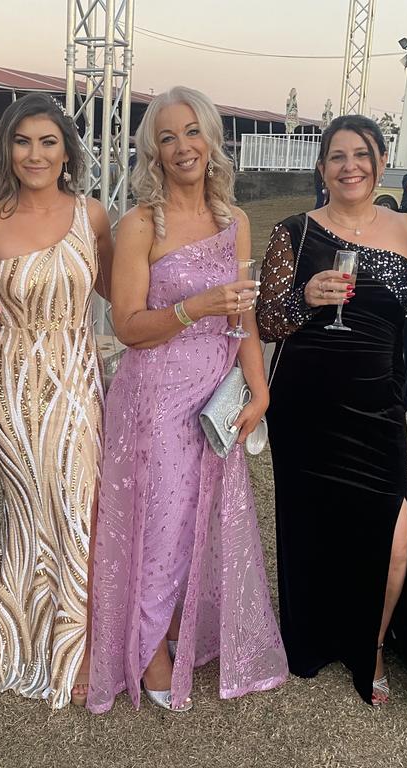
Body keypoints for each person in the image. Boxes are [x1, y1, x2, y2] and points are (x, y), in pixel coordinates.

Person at [87, 86, 288, 714]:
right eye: (168, 136)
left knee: (207, 520)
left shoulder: (235, 220)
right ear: (152, 150)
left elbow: (246, 315)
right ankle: (148, 650)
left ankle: (184, 628)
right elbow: (125, 325)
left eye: (192, 132)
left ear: (211, 140)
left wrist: (259, 389)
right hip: (153, 398)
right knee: (160, 523)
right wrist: (193, 307)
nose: (182, 147)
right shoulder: (140, 224)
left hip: (216, 396)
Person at [258, 115, 407, 717]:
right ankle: (314, 636)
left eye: (361, 154)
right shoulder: (293, 232)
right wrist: (305, 298)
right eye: (336, 156)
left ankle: (374, 648)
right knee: (314, 528)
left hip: (377, 407)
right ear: (321, 168)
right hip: (306, 406)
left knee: (392, 533)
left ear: (381, 159)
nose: (349, 166)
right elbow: (266, 322)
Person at [0, 93, 113, 709]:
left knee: (78, 506)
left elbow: (120, 294)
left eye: (48, 141)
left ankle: (77, 649)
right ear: (6, 149)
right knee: (27, 513)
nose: (35, 153)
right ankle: (21, 639)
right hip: (13, 380)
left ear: (67, 151)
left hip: (78, 374)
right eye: (22, 141)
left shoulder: (93, 216)